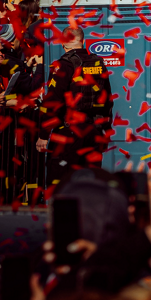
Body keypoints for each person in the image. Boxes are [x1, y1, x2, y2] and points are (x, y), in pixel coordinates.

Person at [37, 25, 114, 190]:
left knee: (61, 182)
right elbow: (107, 100)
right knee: (91, 183)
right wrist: (106, 131)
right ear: (83, 41)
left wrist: (44, 135)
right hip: (94, 130)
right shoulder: (98, 62)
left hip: (70, 133)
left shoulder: (63, 65)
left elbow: (54, 102)